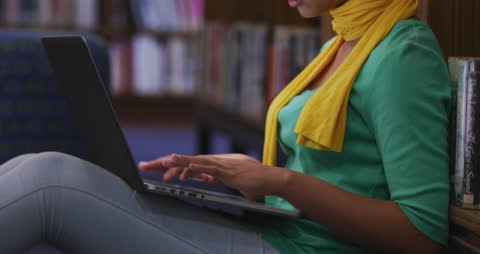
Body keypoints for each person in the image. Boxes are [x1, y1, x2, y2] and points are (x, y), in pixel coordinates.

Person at [0, 0, 451, 253]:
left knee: (51, 184)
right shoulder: (343, 40)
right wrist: (244, 178)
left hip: (304, 251)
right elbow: (334, 174)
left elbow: (421, 233)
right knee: (37, 165)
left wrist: (283, 181)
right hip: (278, 232)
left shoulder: (403, 54)